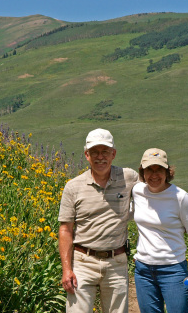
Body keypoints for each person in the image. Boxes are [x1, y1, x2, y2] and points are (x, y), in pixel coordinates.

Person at [58, 128, 139, 312]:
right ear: (86, 154)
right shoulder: (73, 187)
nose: (100, 157)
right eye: (94, 152)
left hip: (117, 261)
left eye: (105, 152)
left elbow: (152, 192)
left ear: (114, 154)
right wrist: (66, 269)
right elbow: (65, 230)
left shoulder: (129, 178)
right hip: (82, 262)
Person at [132, 148, 188, 313]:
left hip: (173, 270)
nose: (154, 175)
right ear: (142, 172)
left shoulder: (180, 197)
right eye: (149, 170)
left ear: (167, 172)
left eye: (159, 169)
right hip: (143, 270)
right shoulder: (137, 191)